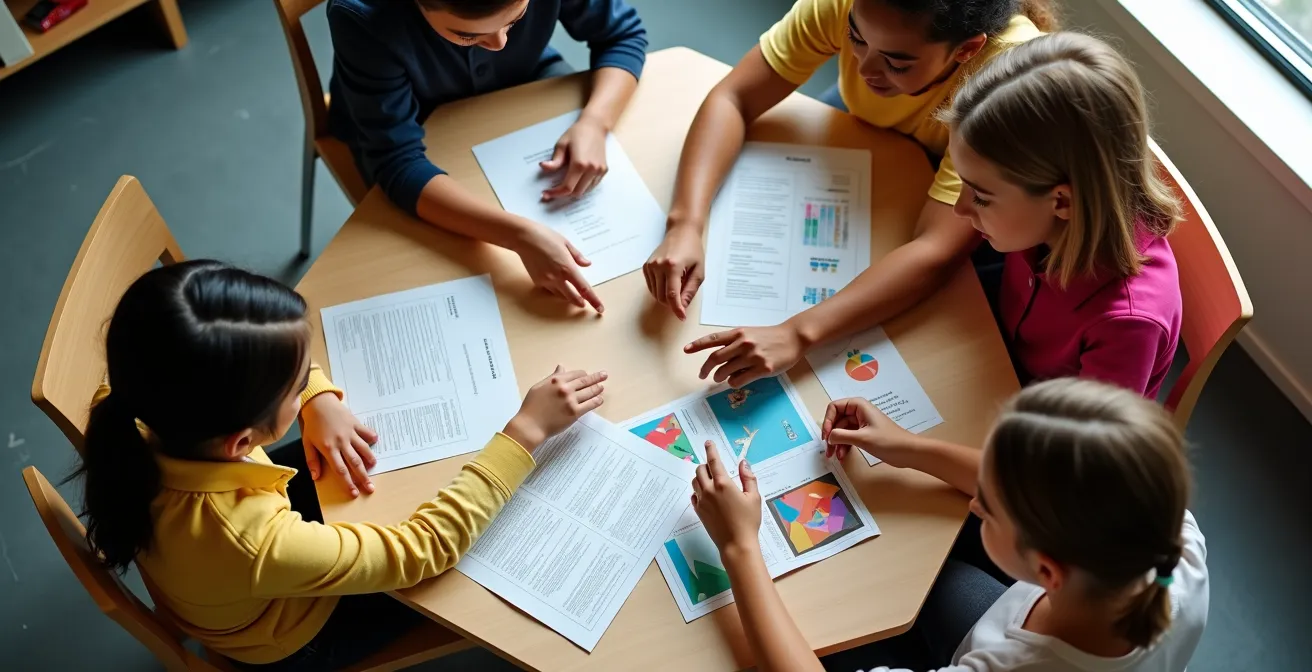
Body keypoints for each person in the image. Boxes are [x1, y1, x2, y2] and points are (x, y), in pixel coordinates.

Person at [70, 260, 607, 669]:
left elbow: (257, 360)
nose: (310, 376)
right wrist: (525, 432)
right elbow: (423, 550)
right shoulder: (253, 542)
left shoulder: (130, 397)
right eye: (299, 380)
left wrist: (316, 398)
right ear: (242, 441)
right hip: (296, 635)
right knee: (480, 568)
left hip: (234, 555)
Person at [676, 28, 1184, 402]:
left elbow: (1058, 480)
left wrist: (907, 450)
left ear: (1063, 200)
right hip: (987, 353)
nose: (961, 209)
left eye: (980, 196)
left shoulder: (1129, 325)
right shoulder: (1040, 222)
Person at [692, 377, 1208, 671]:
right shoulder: (1173, 540)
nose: (975, 500)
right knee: (931, 581)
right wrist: (907, 448)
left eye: (986, 504)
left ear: (1047, 571)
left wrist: (740, 546)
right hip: (1011, 623)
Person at [644, 0, 1054, 323]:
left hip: (968, 169)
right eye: (855, 38)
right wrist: (685, 224)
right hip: (866, 123)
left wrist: (799, 331)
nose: (865, 68)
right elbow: (732, 98)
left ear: (967, 49)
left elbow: (935, 251)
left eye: (896, 61)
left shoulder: (1010, 75)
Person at [327, 0, 648, 313]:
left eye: (516, 20)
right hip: (412, 119)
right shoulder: (361, 16)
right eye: (467, 36)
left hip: (523, 79)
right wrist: (519, 235)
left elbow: (622, 34)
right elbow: (395, 161)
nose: (499, 43)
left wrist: (595, 122)